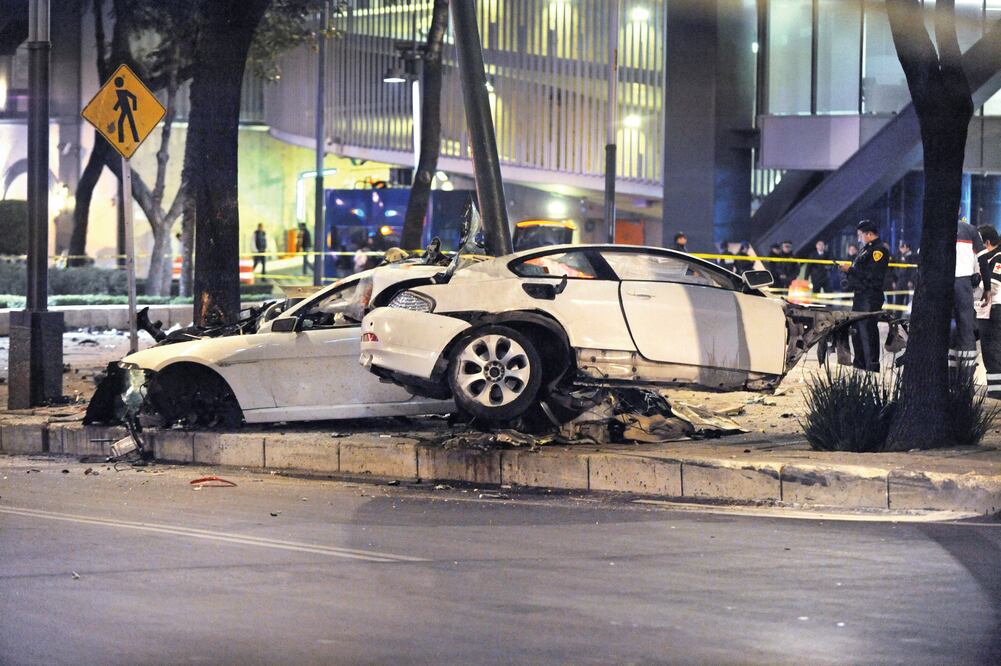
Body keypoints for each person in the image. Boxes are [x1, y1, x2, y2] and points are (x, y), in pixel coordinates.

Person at [840, 219, 890, 372]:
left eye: (860, 235)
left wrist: (850, 270)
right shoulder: (865, 250)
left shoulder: (879, 251)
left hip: (870, 295)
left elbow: (871, 275)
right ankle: (860, 363)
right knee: (856, 330)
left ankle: (871, 365)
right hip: (860, 295)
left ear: (869, 234)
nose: (859, 238)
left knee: (867, 330)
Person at [952, 217, 991, 377]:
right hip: (963, 283)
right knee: (966, 331)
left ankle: (948, 377)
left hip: (940, 284)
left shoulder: (934, 227)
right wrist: (987, 288)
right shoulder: (970, 230)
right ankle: (966, 381)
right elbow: (983, 261)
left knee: (945, 330)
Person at [976, 225, 1001, 398]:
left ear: (987, 243)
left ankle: (996, 396)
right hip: (991, 311)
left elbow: (992, 286)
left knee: (992, 354)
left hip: (995, 311)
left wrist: (975, 281)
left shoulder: (998, 258)